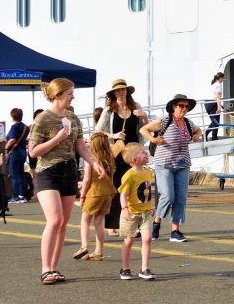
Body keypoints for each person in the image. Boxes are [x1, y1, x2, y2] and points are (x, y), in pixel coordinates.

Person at [28, 78, 108, 284]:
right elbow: (34, 151)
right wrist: (57, 138)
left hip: (69, 171)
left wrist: (94, 161)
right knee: (54, 220)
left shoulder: (73, 118)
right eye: (70, 93)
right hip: (48, 172)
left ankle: (54, 268)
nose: (73, 96)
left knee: (63, 223)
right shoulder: (42, 119)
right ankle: (45, 269)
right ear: (58, 95)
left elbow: (81, 146)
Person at [140, 93, 203, 243]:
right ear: (174, 107)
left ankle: (175, 231)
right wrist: (154, 139)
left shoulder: (188, 123)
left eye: (186, 106)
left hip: (183, 164)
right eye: (181, 106)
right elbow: (144, 129)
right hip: (165, 163)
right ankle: (156, 223)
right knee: (168, 196)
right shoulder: (165, 121)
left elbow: (198, 130)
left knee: (180, 198)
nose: (184, 109)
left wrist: (197, 135)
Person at [95, 78, 147, 237]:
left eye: (123, 89)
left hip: (133, 153)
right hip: (117, 153)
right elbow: (98, 132)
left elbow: (144, 129)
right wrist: (114, 134)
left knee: (133, 187)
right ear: (113, 93)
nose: (121, 92)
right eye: (117, 90)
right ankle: (112, 225)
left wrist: (144, 116)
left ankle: (133, 225)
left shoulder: (136, 107)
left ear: (127, 91)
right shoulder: (109, 110)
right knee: (116, 187)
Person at [74, 132, 117, 261]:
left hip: (94, 193)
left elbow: (87, 179)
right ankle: (99, 251)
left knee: (85, 220)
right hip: (107, 194)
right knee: (99, 222)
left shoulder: (91, 159)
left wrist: (82, 196)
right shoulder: (110, 158)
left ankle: (84, 246)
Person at [117, 142, 156, 281]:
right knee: (129, 240)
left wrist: (151, 205)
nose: (146, 153)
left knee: (147, 238)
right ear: (134, 160)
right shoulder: (129, 175)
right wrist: (125, 209)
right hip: (131, 213)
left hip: (145, 212)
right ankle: (125, 267)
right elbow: (123, 194)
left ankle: (144, 268)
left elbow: (147, 191)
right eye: (142, 152)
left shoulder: (148, 172)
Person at [4, 107, 30, 204]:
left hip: (14, 152)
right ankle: (22, 195)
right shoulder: (25, 127)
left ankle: (15, 196)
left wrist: (5, 148)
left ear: (12, 116)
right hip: (23, 151)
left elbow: (12, 140)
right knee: (20, 173)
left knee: (14, 174)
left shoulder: (14, 127)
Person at [205, 72, 224, 140]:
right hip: (213, 104)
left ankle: (214, 137)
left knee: (215, 121)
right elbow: (218, 96)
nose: (223, 80)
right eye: (223, 78)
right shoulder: (218, 85)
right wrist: (219, 107)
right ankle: (206, 134)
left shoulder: (213, 84)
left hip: (207, 103)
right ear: (220, 78)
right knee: (216, 122)